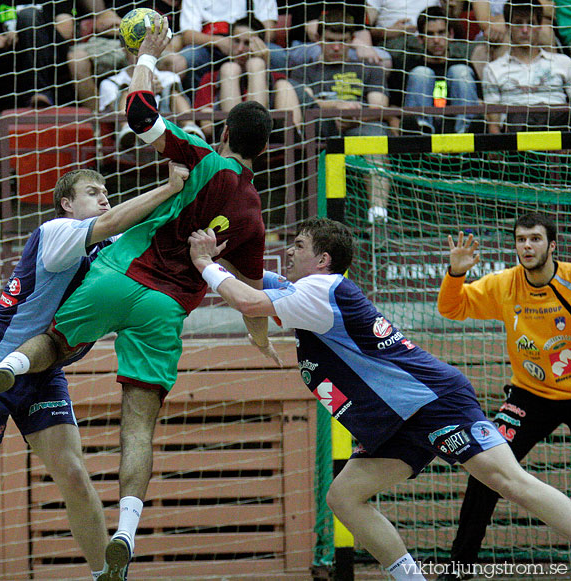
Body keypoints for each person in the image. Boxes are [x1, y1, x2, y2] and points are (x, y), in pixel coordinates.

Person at [0, 16, 278, 581]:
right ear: (264, 150)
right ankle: (125, 531)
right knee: (139, 423)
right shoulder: (253, 217)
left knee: (53, 340)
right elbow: (251, 296)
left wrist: (145, 54)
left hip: (122, 275)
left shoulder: (200, 154)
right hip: (168, 308)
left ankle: (10, 365)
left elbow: (139, 112)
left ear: (224, 135)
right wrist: (264, 341)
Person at [187, 217, 571, 581]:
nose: (288, 252)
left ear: (322, 260)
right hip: (397, 422)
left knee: (510, 482)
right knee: (344, 497)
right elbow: (252, 278)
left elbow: (248, 300)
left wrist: (204, 261)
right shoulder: (305, 291)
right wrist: (226, 246)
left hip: (432, 402)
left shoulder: (319, 290)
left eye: (298, 245)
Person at [0, 164, 189, 581]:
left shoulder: (110, 244)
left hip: (44, 370)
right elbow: (117, 219)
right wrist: (169, 185)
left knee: (76, 476)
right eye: (92, 192)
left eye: (107, 192)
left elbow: (148, 230)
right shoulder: (58, 232)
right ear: (66, 204)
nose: (104, 198)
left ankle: (106, 576)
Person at [434, 212, 571, 580]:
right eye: (521, 239)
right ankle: (460, 568)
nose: (527, 246)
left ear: (552, 245)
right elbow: (451, 307)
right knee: (486, 469)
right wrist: (457, 274)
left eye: (536, 239)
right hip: (530, 393)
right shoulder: (504, 285)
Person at [290, 12, 394, 224]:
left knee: (375, 138)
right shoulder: (304, 71)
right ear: (318, 39)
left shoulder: (369, 68)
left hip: (360, 123)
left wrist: (353, 117)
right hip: (320, 125)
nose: (336, 47)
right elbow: (304, 104)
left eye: (342, 41)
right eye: (330, 41)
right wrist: (336, 106)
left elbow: (379, 107)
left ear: (352, 41)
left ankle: (378, 216)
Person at [0, 1, 114, 111]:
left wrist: (27, 32)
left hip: (48, 56)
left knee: (28, 15)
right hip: (6, 55)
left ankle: (40, 93)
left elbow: (66, 29)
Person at [193, 17, 302, 140]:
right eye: (236, 41)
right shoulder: (210, 78)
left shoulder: (278, 80)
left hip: (266, 143)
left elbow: (294, 131)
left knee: (263, 70)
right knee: (230, 69)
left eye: (247, 43)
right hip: (227, 143)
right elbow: (206, 127)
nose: (240, 49)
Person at [482, 0, 571, 133]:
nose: (525, 30)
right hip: (516, 131)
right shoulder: (493, 69)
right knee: (517, 117)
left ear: (540, 26)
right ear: (508, 26)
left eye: (530, 23)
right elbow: (494, 123)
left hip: (556, 127)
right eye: (518, 23)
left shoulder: (563, 62)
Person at [99, 44, 205, 148]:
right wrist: (141, 93)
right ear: (124, 50)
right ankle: (127, 128)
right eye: (135, 49)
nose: (141, 54)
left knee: (174, 94)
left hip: (167, 134)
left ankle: (191, 128)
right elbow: (109, 117)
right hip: (132, 140)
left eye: (146, 48)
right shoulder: (111, 82)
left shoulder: (169, 77)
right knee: (126, 93)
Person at [403, 6, 479, 134]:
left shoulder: (463, 63)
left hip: (455, 132)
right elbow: (394, 106)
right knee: (421, 73)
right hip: (421, 139)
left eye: (441, 32)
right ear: (420, 39)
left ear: (451, 34)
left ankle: (467, 131)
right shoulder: (410, 65)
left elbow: (480, 101)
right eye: (430, 34)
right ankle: (420, 133)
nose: (436, 40)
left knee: (460, 71)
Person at [178, 0, 283, 91]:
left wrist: (248, 44)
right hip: (212, 45)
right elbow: (188, 36)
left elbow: (269, 32)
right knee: (189, 57)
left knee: (278, 56)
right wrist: (218, 41)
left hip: (249, 43)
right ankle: (198, 104)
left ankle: (274, 98)